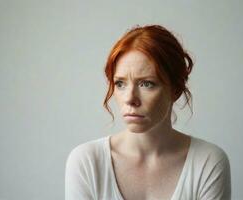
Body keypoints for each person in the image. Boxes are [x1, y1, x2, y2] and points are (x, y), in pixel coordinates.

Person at [65, 24, 231, 200]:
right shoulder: (87, 161)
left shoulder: (207, 161)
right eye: (120, 84)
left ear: (175, 90)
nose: (130, 98)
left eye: (146, 84)